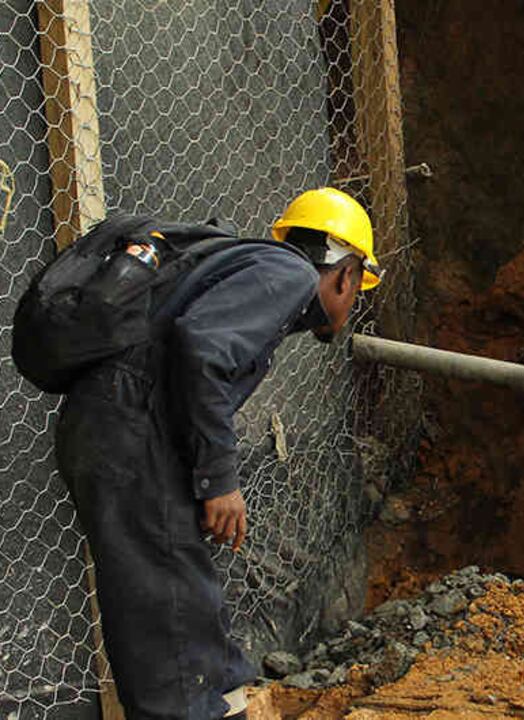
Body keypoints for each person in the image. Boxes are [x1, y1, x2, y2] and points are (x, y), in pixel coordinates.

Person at [54, 187, 381, 719]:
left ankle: (220, 699)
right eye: (357, 287)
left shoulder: (247, 266)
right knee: (164, 610)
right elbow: (202, 347)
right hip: (131, 427)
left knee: (174, 591)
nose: (351, 300)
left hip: (114, 423)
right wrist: (219, 480)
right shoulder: (290, 274)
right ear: (345, 273)